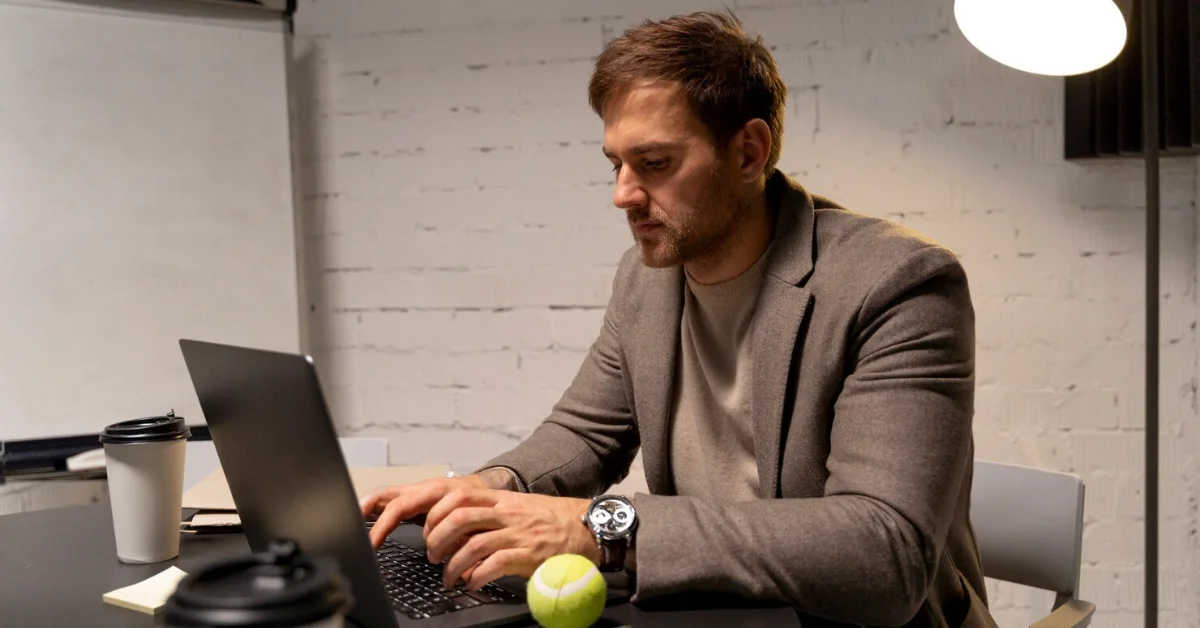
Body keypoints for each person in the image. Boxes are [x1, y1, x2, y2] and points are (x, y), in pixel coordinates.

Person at [361, 10, 996, 628]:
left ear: (749, 153)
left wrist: (599, 527)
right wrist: (480, 490)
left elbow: (884, 554)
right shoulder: (647, 278)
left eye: (655, 163)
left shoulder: (898, 284)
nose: (623, 195)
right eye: (616, 164)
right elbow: (584, 435)